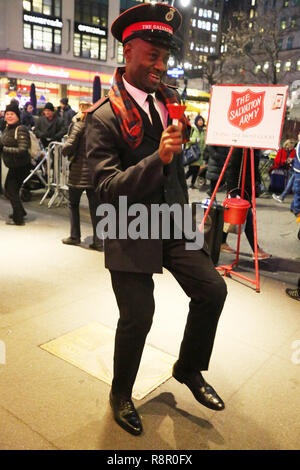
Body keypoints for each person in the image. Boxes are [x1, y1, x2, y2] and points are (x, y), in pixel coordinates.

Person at [86, 3, 227, 437]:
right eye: (153, 55)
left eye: (166, 57)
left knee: (212, 289)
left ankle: (187, 368)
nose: (161, 65)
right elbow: (105, 189)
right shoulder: (103, 117)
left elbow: (177, 173)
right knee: (139, 316)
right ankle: (121, 393)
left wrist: (191, 221)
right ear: (128, 51)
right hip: (126, 224)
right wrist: (157, 158)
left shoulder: (171, 102)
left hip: (170, 219)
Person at [61, 102, 102, 251]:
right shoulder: (98, 128)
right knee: (95, 208)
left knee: (73, 204)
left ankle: (74, 236)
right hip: (94, 173)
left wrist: (64, 149)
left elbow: (69, 147)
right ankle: (99, 241)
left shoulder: (79, 125)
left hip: (78, 173)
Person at [221, 147, 271, 260]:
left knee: (232, 216)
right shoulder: (243, 147)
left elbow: (252, 168)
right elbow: (234, 168)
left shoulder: (252, 148)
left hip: (244, 187)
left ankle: (221, 242)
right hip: (239, 187)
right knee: (246, 216)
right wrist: (236, 190)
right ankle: (256, 250)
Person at [0, 102, 31, 225]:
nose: (9, 116)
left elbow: (23, 149)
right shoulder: (8, 128)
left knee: (11, 190)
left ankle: (18, 219)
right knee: (9, 189)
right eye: (7, 114)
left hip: (21, 165)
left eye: (12, 114)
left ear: (17, 115)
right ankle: (21, 212)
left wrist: (5, 149)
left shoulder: (21, 129)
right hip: (14, 165)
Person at [185, 115, 206, 189]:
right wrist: (194, 139)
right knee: (191, 170)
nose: (200, 122)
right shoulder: (193, 129)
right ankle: (183, 181)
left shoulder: (204, 130)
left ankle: (192, 184)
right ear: (196, 121)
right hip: (193, 153)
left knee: (196, 171)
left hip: (200, 154)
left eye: (201, 120)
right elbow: (187, 139)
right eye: (199, 120)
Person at [290, 132, 300, 224]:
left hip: (297, 170)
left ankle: (293, 207)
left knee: (296, 189)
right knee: (297, 190)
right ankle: (297, 211)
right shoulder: (299, 144)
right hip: (298, 171)